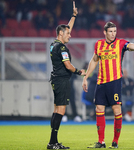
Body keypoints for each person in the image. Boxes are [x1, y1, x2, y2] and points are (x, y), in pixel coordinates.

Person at [82, 22, 134, 149]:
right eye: (110, 31)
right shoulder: (98, 44)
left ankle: (115, 141)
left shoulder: (121, 43)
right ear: (104, 32)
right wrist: (85, 77)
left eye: (115, 31)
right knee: (99, 110)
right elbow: (94, 60)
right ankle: (101, 142)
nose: (113, 34)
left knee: (117, 111)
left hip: (115, 82)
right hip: (101, 82)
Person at [47, 1, 86, 149]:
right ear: (61, 34)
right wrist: (79, 71)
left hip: (56, 79)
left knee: (56, 110)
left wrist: (73, 16)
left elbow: (67, 28)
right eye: (68, 33)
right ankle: (52, 142)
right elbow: (68, 65)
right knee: (61, 111)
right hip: (62, 80)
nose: (70, 35)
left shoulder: (53, 44)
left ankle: (53, 141)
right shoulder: (62, 47)